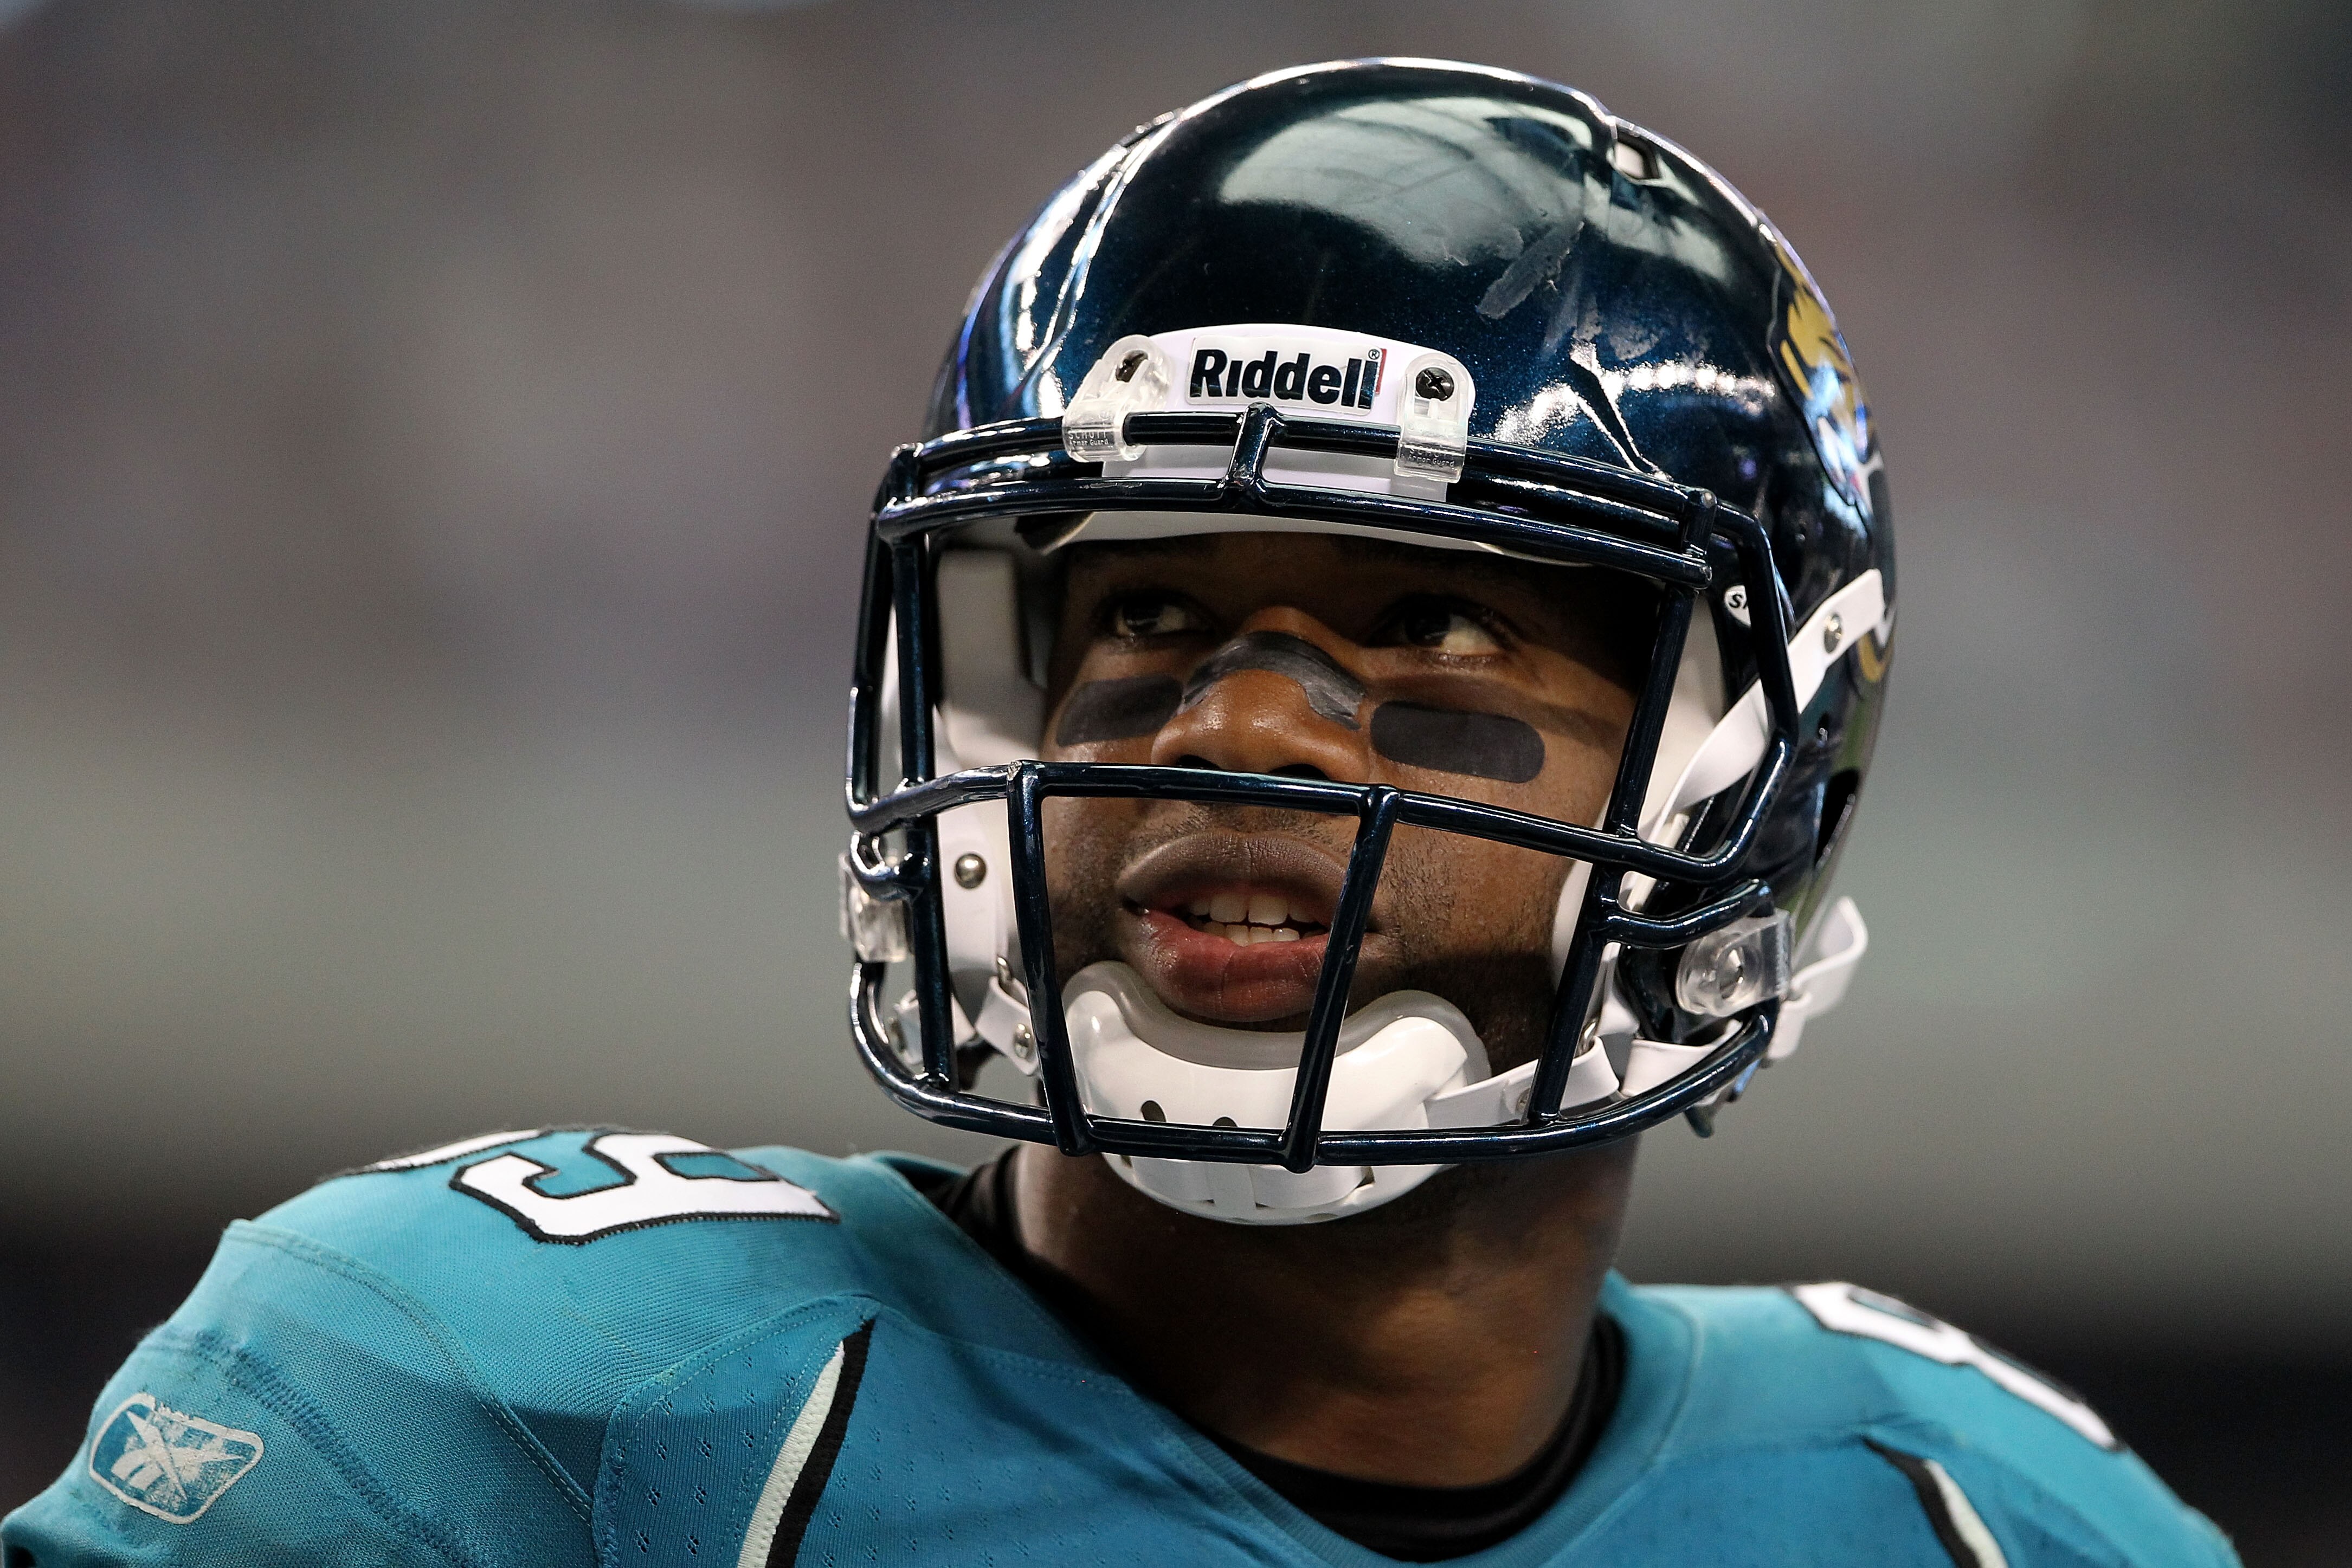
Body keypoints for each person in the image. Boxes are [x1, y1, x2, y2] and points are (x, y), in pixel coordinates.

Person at [3, 59, 2234, 1567]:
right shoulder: (509, 1401)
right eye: (1148, 609)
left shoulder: (1979, 1522)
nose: (1234, 727)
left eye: (1435, 628)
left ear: (1753, 768)